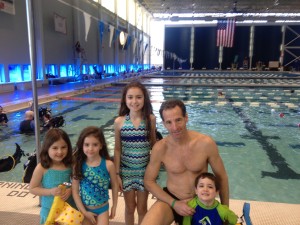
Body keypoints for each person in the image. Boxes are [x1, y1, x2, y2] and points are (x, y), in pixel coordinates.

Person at [141, 99, 229, 225]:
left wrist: (225, 210)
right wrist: (174, 203)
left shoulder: (205, 143)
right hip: (172, 199)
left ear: (186, 118)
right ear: (164, 124)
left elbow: (222, 177)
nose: (175, 127)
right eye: (169, 122)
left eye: (178, 120)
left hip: (201, 201)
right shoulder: (160, 148)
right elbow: (148, 181)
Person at [114, 81, 156, 225]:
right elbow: (117, 149)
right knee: (130, 208)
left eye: (138, 97)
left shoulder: (150, 119)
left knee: (142, 209)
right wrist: (117, 174)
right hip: (126, 171)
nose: (134, 101)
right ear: (125, 100)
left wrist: (155, 170)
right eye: (130, 97)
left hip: (145, 171)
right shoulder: (119, 122)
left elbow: (154, 146)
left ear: (145, 99)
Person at [72, 126, 118, 225]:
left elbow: (115, 185)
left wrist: (114, 205)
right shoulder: (78, 165)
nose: (90, 148)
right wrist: (84, 212)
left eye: (95, 144)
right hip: (85, 209)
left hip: (102, 209)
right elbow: (75, 192)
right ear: (82, 145)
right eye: (87, 145)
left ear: (101, 145)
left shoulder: (108, 165)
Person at [29, 128, 74, 224]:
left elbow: (78, 183)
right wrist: (50, 191)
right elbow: (32, 188)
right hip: (49, 210)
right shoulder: (42, 168)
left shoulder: (72, 164)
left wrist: (71, 190)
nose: (60, 152)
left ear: (68, 147)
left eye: (63, 147)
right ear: (47, 148)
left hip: (69, 210)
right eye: (55, 148)